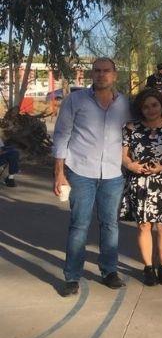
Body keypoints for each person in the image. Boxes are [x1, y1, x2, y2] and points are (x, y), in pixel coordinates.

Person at [53, 57, 131, 296]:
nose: (101, 75)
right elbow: (61, 136)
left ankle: (109, 271)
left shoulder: (125, 104)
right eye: (96, 71)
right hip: (81, 173)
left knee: (110, 225)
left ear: (114, 75)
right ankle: (72, 276)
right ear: (91, 74)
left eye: (106, 71)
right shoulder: (75, 100)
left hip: (113, 174)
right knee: (79, 225)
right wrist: (59, 174)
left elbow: (143, 126)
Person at [120, 88, 162, 286]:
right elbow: (124, 155)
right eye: (145, 106)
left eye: (154, 105)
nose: (150, 110)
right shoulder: (130, 128)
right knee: (144, 226)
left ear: (161, 105)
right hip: (140, 182)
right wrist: (131, 165)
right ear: (140, 109)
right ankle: (148, 267)